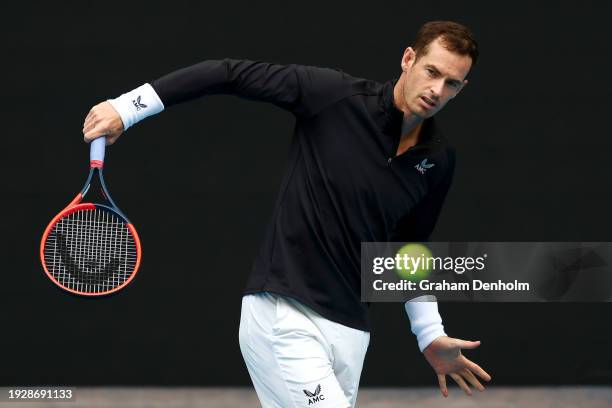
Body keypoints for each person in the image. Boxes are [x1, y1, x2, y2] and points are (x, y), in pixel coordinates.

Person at [83, 20, 491, 408]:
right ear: (408, 60)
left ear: (462, 87)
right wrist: (127, 107)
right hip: (284, 313)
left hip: (351, 330)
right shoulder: (333, 96)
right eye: (431, 71)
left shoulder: (438, 160)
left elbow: (408, 248)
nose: (437, 89)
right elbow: (226, 73)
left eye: (451, 83)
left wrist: (429, 334)